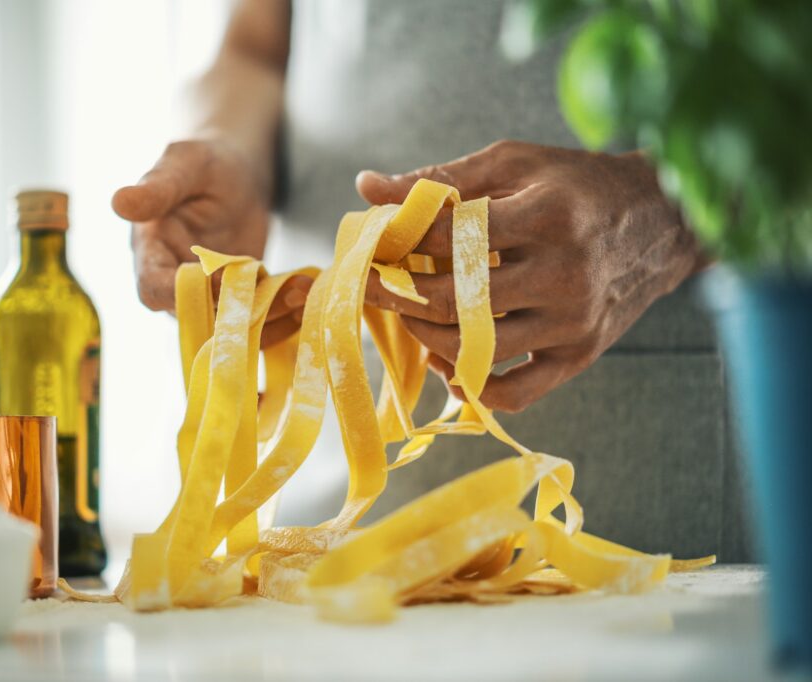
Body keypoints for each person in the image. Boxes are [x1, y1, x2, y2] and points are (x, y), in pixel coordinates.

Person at [113, 0, 752, 561]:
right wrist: (229, 150)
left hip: (661, 484)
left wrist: (666, 213)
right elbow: (252, 46)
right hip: (335, 509)